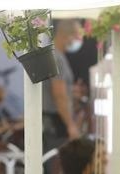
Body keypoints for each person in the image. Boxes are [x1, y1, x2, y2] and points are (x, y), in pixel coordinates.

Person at [42, 19, 82, 152]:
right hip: (54, 122)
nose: (79, 40)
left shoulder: (55, 55)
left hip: (52, 120)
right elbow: (59, 94)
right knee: (55, 165)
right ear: (66, 35)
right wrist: (71, 125)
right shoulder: (56, 57)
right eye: (77, 36)